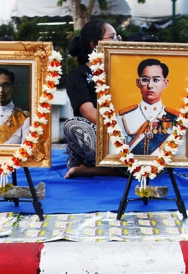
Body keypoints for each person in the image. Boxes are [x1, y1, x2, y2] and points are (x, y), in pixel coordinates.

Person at [63, 19, 123, 178]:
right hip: (101, 133)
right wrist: (118, 128)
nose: (117, 41)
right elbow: (87, 111)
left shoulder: (122, 71)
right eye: (112, 37)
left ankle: (92, 170)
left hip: (127, 133)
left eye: (118, 37)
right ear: (94, 44)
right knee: (73, 125)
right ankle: (120, 168)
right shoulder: (78, 75)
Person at [118, 58, 179, 155]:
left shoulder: (176, 118)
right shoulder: (123, 117)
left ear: (165, 83)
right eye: (145, 80)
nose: (150, 85)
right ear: (138, 82)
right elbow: (117, 153)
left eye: (156, 80)